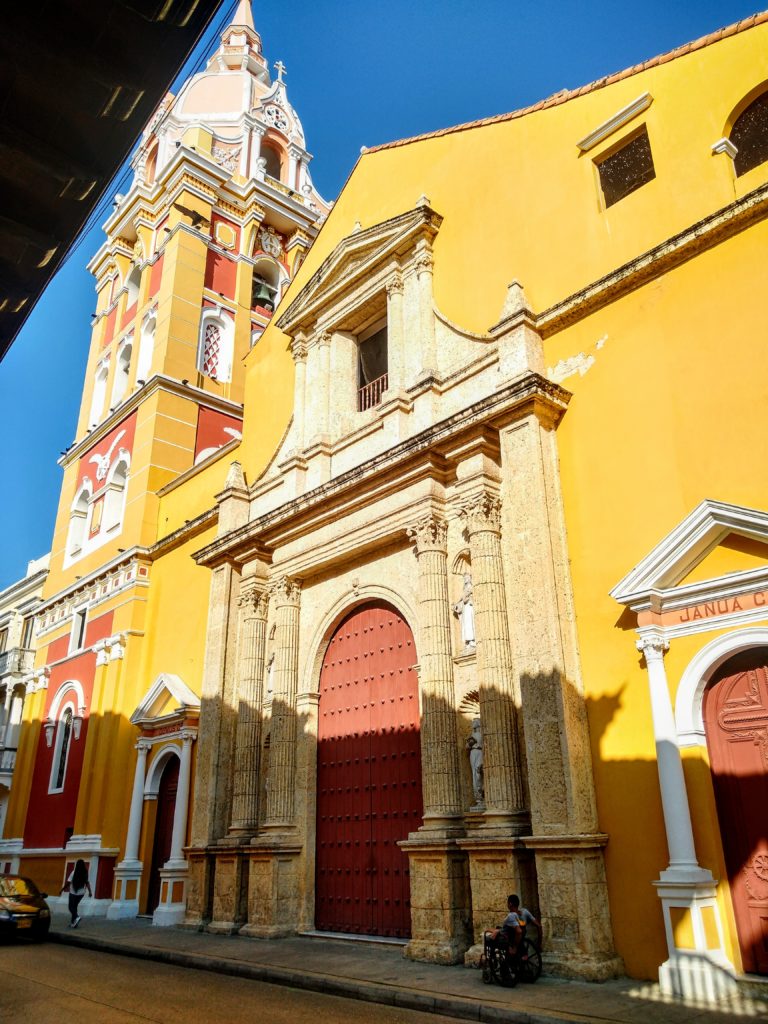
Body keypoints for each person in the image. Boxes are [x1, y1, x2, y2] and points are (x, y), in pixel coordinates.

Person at [498, 893, 542, 958]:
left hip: (512, 939)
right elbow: (539, 926)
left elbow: (518, 931)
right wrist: (539, 943)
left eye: (507, 903)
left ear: (510, 904)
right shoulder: (525, 912)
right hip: (522, 937)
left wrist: (515, 947)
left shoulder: (511, 916)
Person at [61, 858, 92, 928]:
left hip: (73, 892)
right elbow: (87, 882)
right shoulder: (85, 873)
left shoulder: (74, 872)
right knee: (74, 907)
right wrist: (90, 892)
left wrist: (62, 889)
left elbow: (68, 883)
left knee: (71, 907)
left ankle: (77, 917)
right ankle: (73, 923)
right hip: (81, 893)